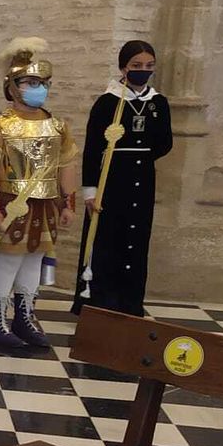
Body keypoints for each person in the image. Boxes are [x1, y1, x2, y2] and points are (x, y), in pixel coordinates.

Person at [0, 38, 79, 349]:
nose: (39, 87)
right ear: (14, 85)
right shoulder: (0, 124)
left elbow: (66, 165)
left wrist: (68, 202)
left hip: (44, 204)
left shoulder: (57, 125)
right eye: (31, 82)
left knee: (33, 260)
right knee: (7, 261)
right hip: (11, 203)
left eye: (43, 82)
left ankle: (24, 315)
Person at [72, 40, 173, 315]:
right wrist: (90, 192)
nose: (143, 71)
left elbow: (165, 143)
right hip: (111, 181)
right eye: (136, 66)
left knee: (136, 239)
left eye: (149, 66)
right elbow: (93, 149)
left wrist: (140, 152)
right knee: (107, 240)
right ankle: (100, 301)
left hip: (141, 180)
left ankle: (130, 302)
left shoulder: (158, 103)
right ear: (123, 67)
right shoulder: (108, 102)